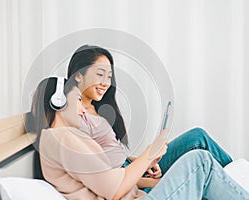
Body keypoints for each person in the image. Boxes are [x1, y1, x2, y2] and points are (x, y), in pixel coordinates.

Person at [29, 76, 249, 199]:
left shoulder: (65, 138)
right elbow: (113, 190)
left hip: (138, 195)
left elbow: (110, 177)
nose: (83, 109)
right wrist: (148, 156)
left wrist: (148, 164)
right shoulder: (58, 139)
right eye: (77, 100)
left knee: (199, 153)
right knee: (199, 162)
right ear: (58, 102)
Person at [66, 45, 233, 192]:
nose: (105, 83)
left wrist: (145, 162)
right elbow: (105, 178)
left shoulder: (98, 108)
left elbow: (114, 155)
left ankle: (236, 179)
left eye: (109, 77)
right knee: (199, 162)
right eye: (99, 74)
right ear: (78, 75)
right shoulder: (74, 115)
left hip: (132, 168)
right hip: (129, 180)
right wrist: (154, 182)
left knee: (197, 136)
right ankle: (235, 184)